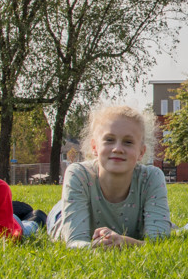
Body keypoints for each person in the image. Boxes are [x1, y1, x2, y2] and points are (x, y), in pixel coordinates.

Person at [47, 105, 171, 249]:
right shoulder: (78, 174)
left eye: (128, 142)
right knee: (35, 220)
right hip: (61, 215)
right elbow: (75, 242)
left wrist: (123, 242)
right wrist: (104, 245)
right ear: (94, 147)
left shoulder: (151, 178)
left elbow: (159, 242)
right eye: (109, 139)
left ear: (141, 152)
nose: (117, 149)